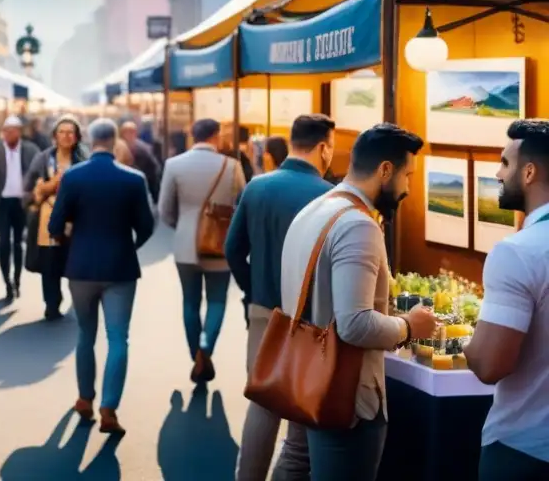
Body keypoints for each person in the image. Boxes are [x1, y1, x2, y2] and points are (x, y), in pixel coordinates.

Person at [280, 123, 436, 481]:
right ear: (385, 170)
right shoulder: (358, 225)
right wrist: (411, 325)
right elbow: (355, 324)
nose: (408, 188)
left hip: (305, 376)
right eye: (407, 176)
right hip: (346, 397)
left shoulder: (316, 209)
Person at [225, 114, 336, 481]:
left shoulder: (257, 187)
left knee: (262, 404)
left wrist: (253, 289)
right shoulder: (329, 196)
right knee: (300, 411)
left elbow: (232, 249)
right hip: (312, 318)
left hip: (263, 309)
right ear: (323, 147)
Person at [48, 119, 155, 436]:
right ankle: (109, 408)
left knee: (85, 334)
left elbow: (55, 224)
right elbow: (147, 226)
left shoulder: (73, 177)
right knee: (118, 337)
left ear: (91, 141)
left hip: (81, 268)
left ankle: (84, 398)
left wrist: (73, 240)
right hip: (120, 268)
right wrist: (128, 245)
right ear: (115, 141)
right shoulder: (134, 179)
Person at [466, 120, 549, 479]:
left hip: (523, 449)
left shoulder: (518, 253)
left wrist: (469, 345)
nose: (498, 173)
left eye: (504, 162)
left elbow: (489, 365)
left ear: (528, 172)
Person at [159, 118, 246, 384]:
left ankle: (195, 353)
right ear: (216, 136)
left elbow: (164, 210)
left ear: (192, 136)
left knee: (190, 303)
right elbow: (242, 204)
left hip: (186, 246)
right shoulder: (232, 166)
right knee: (217, 302)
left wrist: (184, 226)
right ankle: (206, 349)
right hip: (220, 245)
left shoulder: (174, 165)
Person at [24, 115, 87, 321]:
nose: (66, 136)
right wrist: (48, 186)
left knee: (74, 262)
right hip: (47, 217)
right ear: (55, 136)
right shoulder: (43, 158)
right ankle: (52, 304)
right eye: (62, 132)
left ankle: (79, 302)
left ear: (77, 136)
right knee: (49, 263)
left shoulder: (83, 159)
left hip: (76, 219)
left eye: (71, 132)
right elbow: (32, 189)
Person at [0, 116, 40, 301]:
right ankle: (7, 283)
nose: (8, 134)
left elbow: (39, 172)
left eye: (12, 131)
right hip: (1, 202)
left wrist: (35, 195)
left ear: (19, 132)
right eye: (5, 131)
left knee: (18, 244)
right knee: (4, 241)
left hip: (22, 202)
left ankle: (17, 280)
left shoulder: (31, 150)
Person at [120, 120, 161, 201]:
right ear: (122, 134)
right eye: (126, 132)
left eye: (132, 132)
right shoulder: (118, 148)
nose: (129, 134)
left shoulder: (144, 149)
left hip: (141, 186)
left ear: (136, 133)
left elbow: (154, 168)